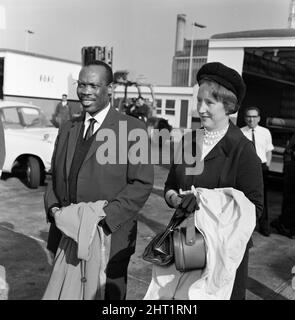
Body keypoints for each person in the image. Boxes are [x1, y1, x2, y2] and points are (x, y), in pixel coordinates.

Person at [44, 60, 154, 300]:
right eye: (81, 84)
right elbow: (53, 177)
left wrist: (101, 221)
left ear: (110, 89)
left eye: (93, 85)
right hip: (65, 235)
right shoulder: (68, 128)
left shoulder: (132, 129)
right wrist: (54, 211)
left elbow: (141, 184)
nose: (85, 91)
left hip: (108, 237)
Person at [162, 62, 263, 300]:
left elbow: (254, 209)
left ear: (228, 105)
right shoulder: (189, 142)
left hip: (223, 256)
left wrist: (207, 204)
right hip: (186, 248)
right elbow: (169, 186)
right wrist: (174, 198)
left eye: (209, 103)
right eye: (199, 101)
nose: (201, 109)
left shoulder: (242, 151)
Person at [241, 107, 274, 236]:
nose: (251, 119)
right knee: (245, 197)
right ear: (245, 118)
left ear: (259, 118)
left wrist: (268, 165)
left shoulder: (265, 132)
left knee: (263, 197)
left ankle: (264, 226)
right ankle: (247, 226)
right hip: (246, 169)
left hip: (262, 167)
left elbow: (269, 150)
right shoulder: (240, 132)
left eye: (254, 117)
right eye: (249, 116)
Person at [271, 127, 295, 239]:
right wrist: (289, 167)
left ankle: (281, 221)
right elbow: (288, 151)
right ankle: (290, 229)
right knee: (290, 199)